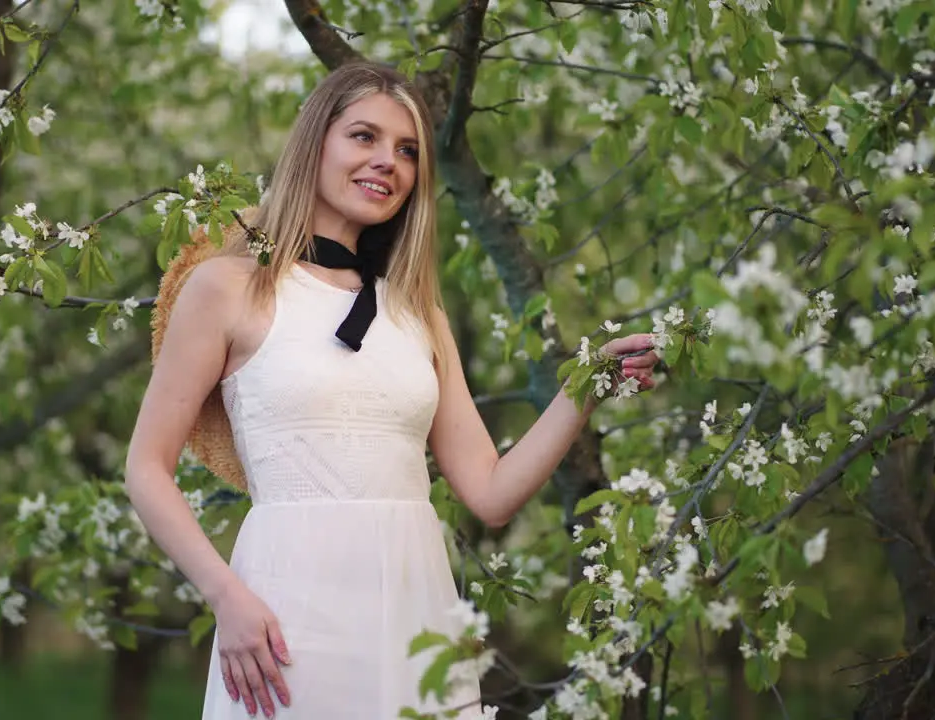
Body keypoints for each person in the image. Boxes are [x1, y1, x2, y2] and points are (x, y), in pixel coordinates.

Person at [123, 62, 658, 719]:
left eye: (408, 150)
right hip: (287, 609)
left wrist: (588, 382)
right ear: (315, 142)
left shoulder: (417, 312)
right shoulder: (229, 287)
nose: (388, 162)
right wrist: (226, 598)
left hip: (417, 605)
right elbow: (147, 467)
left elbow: (490, 492)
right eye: (364, 137)